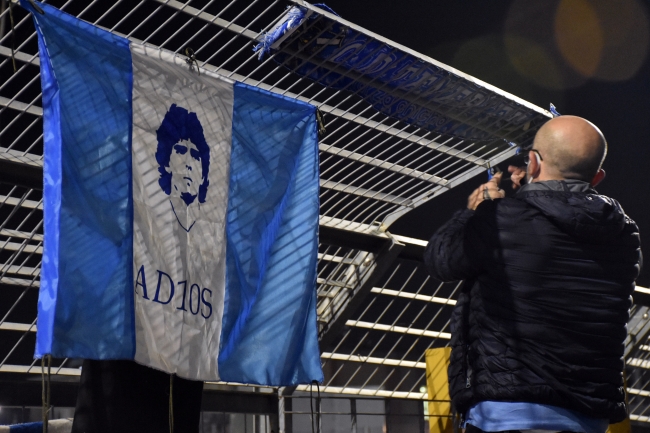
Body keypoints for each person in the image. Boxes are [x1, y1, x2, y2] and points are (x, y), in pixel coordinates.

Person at [423, 115, 642, 433]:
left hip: (505, 412)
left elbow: (439, 260)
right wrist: (530, 195)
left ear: (534, 162)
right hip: (589, 417)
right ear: (597, 177)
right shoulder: (624, 234)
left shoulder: (499, 219)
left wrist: (477, 212)